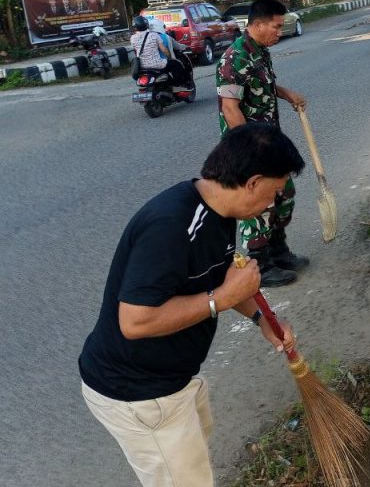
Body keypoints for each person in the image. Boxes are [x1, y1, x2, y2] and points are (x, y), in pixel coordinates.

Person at [79, 124, 303, 487]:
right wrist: (221, 300)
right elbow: (134, 322)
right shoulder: (171, 225)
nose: (272, 204)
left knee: (194, 467)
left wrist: (260, 316)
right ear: (253, 182)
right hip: (139, 393)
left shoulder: (220, 211)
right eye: (274, 193)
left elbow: (218, 277)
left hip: (174, 380)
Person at [216, 0, 309, 287]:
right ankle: (261, 264)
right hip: (249, 147)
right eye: (276, 26)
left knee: (284, 194)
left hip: (270, 142)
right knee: (258, 205)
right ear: (257, 24)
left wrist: (286, 93)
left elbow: (263, 84)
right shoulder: (234, 58)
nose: (280, 31)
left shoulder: (260, 51)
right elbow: (230, 108)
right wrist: (249, 153)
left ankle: (279, 252)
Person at [130, 16, 193, 89]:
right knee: (176, 64)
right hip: (156, 64)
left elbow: (136, 50)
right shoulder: (154, 35)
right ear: (146, 25)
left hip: (141, 66)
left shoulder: (132, 38)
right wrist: (170, 57)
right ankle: (178, 85)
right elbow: (164, 50)